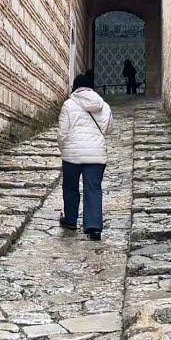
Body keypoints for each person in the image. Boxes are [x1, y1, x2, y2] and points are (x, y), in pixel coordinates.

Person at [57, 73, 113, 241]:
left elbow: (62, 133)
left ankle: (71, 220)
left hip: (72, 156)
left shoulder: (68, 105)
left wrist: (63, 149)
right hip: (96, 155)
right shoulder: (103, 105)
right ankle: (94, 227)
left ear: (75, 87)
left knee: (70, 187)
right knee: (93, 189)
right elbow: (109, 129)